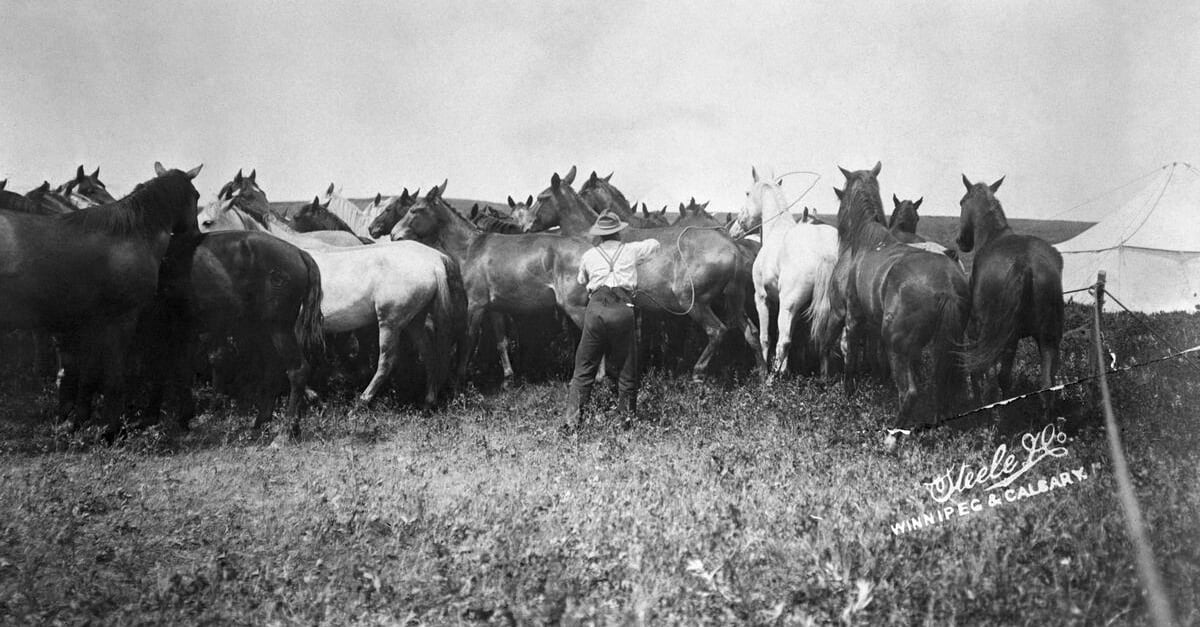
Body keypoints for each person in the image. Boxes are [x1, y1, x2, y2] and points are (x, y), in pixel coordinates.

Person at [562, 211, 661, 430]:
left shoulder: (589, 255)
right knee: (627, 369)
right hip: (622, 310)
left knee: (584, 368)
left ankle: (571, 423)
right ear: (618, 231)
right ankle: (625, 421)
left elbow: (581, 280)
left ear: (599, 234)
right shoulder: (631, 250)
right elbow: (654, 245)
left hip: (596, 310)